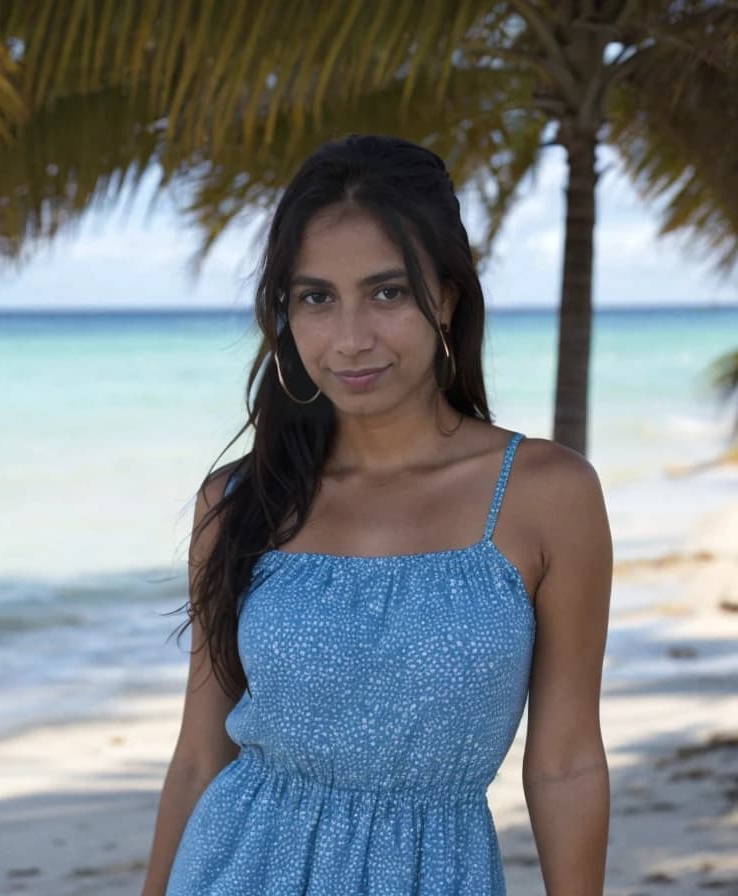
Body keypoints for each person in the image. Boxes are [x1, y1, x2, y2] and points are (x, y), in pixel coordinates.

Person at [140, 134, 612, 894]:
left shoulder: (547, 494)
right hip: (235, 870)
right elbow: (199, 755)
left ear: (448, 297)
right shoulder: (239, 503)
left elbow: (566, 763)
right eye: (316, 298)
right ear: (286, 313)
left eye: (388, 292)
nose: (351, 339)